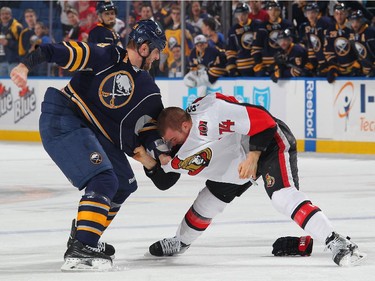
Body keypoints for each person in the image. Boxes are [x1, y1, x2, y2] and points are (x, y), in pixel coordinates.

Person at [10, 19, 179, 272]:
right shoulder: (105, 54)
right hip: (64, 117)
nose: (157, 57)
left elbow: (150, 132)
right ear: (144, 47)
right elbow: (54, 50)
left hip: (92, 132)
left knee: (124, 184)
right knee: (105, 180)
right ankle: (81, 247)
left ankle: (84, 237)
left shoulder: (149, 89)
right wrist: (24, 66)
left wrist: (160, 158)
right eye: (156, 50)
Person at [133, 93, 366, 267]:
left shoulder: (212, 114)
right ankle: (180, 242)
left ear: (185, 125)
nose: (171, 145)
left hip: (266, 143)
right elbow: (165, 182)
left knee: (282, 197)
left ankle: (336, 241)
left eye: (172, 139)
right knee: (206, 203)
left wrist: (254, 156)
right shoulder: (177, 151)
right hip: (234, 163)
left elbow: (263, 120)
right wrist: (145, 160)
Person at [324, 3, 361, 83]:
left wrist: (358, 64)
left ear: (346, 14)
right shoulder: (330, 30)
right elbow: (328, 52)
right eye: (337, 14)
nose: (339, 16)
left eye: (342, 13)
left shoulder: (353, 27)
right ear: (333, 15)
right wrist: (333, 67)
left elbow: (361, 47)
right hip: (339, 69)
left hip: (355, 67)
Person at [226, 2, 261, 77]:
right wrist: (232, 66)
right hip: (242, 66)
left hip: (257, 64)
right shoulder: (233, 30)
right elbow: (231, 49)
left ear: (248, 14)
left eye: (243, 14)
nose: (241, 17)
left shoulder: (257, 25)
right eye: (238, 15)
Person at [348, 10, 375, 77]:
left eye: (357, 21)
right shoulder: (351, 34)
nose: (355, 24)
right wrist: (357, 65)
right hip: (365, 72)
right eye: (353, 21)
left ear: (362, 21)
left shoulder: (370, 32)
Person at [0, 6, 23, 77]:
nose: (4, 16)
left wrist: (8, 43)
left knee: (14, 85)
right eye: (2, 14)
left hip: (13, 62)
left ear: (11, 15)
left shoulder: (17, 27)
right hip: (1, 61)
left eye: (7, 14)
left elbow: (22, 46)